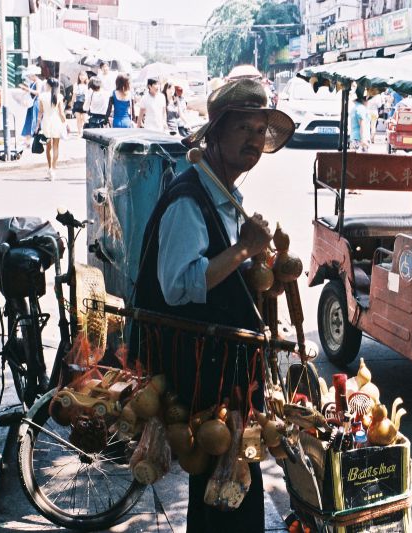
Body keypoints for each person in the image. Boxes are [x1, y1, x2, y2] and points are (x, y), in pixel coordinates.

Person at [132, 78, 295, 532]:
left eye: (260, 131)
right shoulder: (189, 198)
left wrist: (259, 278)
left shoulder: (224, 195)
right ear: (216, 133)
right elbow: (179, 286)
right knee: (227, 495)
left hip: (227, 373)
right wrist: (243, 250)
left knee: (226, 491)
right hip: (204, 374)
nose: (254, 140)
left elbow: (218, 274)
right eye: (243, 128)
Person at [36, 77, 66, 181]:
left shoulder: (42, 96)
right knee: (56, 147)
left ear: (48, 85)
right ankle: (53, 169)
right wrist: (65, 123)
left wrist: (37, 125)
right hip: (57, 121)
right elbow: (62, 113)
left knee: (48, 147)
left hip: (46, 122)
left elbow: (40, 112)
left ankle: (49, 168)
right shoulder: (59, 96)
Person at [20, 65, 43, 148]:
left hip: (36, 103)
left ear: (33, 74)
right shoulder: (33, 82)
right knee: (29, 121)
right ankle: (28, 141)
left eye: (29, 75)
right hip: (31, 103)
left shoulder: (38, 82)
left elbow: (38, 92)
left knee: (35, 121)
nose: (28, 77)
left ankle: (32, 141)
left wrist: (27, 89)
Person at [349, 88, 370, 153]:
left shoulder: (354, 108)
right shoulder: (361, 108)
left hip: (354, 138)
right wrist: (363, 139)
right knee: (362, 161)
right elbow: (362, 124)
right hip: (360, 140)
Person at [71, 71, 90, 135]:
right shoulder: (76, 84)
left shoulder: (88, 85)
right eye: (80, 75)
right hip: (77, 103)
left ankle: (82, 129)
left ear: (86, 77)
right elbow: (74, 95)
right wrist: (72, 103)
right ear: (78, 76)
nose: (82, 77)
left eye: (83, 75)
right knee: (78, 119)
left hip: (85, 103)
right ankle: (79, 132)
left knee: (84, 119)